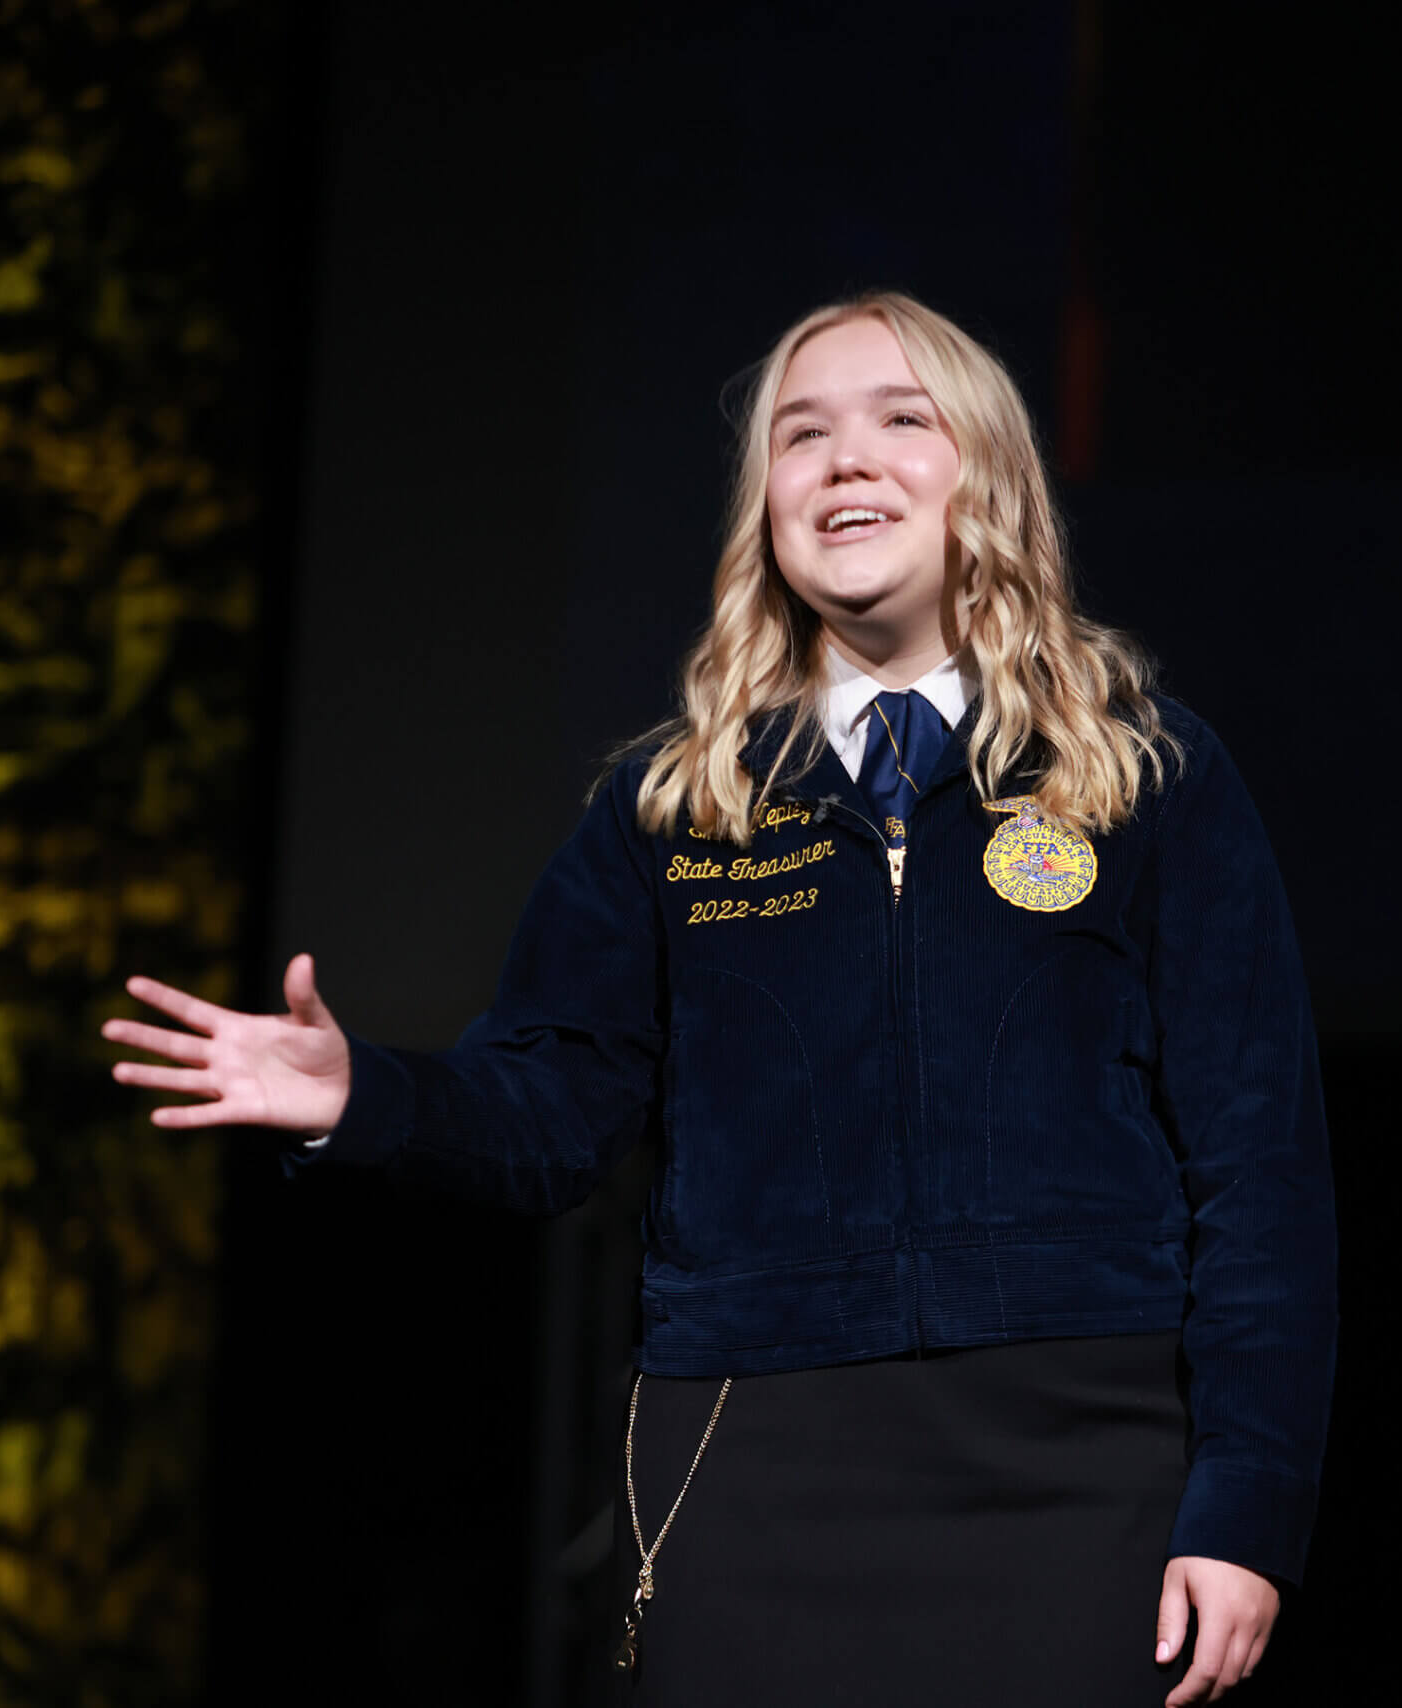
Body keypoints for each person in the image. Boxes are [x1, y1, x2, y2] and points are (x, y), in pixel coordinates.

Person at [103, 291, 1337, 1706]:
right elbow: (552, 1112)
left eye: (899, 420)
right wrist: (359, 1095)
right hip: (755, 1471)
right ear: (766, 504)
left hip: (1075, 1466)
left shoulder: (1143, 777)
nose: (844, 460)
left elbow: (1263, 1178)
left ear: (985, 475)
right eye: (801, 437)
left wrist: (1246, 1508)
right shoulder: (679, 809)